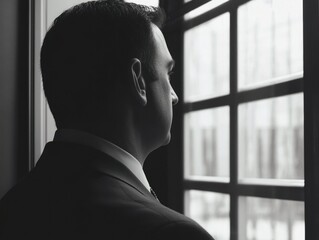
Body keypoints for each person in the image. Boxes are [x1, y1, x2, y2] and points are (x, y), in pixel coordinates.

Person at [0, 1, 214, 239]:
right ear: (138, 80)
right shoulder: (170, 233)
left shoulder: (14, 203)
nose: (174, 96)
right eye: (168, 73)